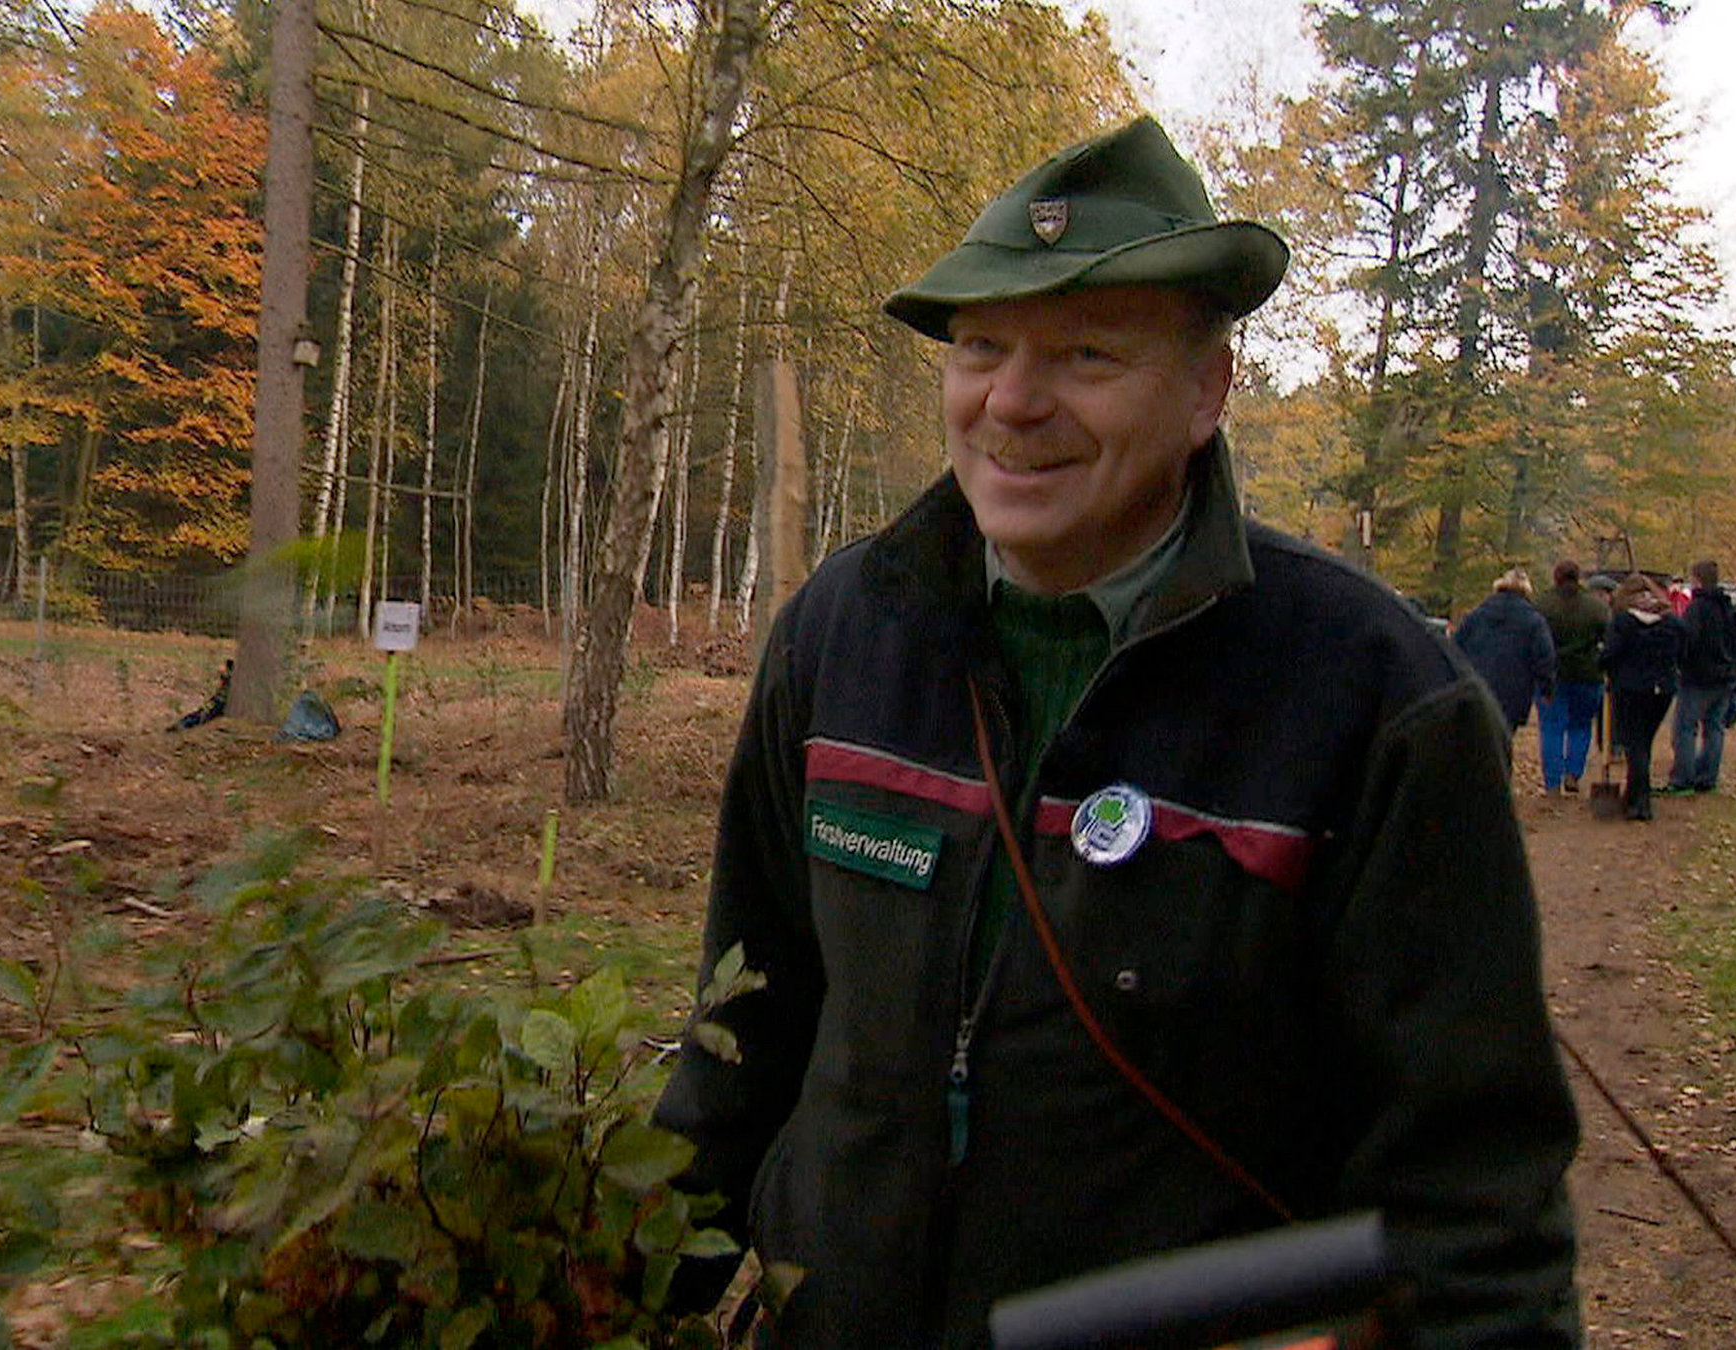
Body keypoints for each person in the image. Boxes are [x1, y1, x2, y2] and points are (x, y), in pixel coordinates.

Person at [654, 119, 1580, 1350]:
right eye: (981, 347)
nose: (1013, 403)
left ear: (1207, 391)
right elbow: (742, 1042)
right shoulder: (845, 633)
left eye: (1086, 354)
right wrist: (586, 1292)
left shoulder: (1374, 702)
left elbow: (1475, 1206)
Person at [1452, 567, 1558, 773]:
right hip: (1514, 689)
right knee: (1504, 735)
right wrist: (1547, 688)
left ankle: (1475, 777)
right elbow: (1544, 657)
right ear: (1527, 591)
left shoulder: (1477, 615)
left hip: (1477, 684)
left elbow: (1456, 648)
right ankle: (1499, 779)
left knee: (1478, 735)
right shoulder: (1534, 621)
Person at [1599, 575, 1686, 822]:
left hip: (1630, 689)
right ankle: (1635, 794)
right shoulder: (1671, 623)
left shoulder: (1624, 622)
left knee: (1634, 744)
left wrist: (1604, 665)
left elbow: (1609, 655)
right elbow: (1684, 648)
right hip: (1662, 690)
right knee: (1643, 742)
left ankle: (1640, 802)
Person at [1662, 560, 1736, 795]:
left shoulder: (1697, 608)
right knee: (1714, 728)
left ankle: (1683, 778)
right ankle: (1707, 777)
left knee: (1685, 728)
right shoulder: (1728, 607)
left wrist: (1678, 663)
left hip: (1698, 678)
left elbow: (1687, 640)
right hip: (1724, 678)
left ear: (1696, 579)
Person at [1535, 559, 1609, 793]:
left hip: (1552, 675)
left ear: (1556, 577)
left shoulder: (1542, 605)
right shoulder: (1596, 607)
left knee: (1551, 727)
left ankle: (1552, 782)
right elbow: (1609, 639)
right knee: (1581, 726)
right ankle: (1573, 774)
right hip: (1588, 675)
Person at [169, 658, 233, 731]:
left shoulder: (229, 679)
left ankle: (183, 724)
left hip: (218, 702)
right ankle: (182, 724)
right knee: (201, 714)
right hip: (218, 701)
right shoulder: (229, 679)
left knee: (201, 715)